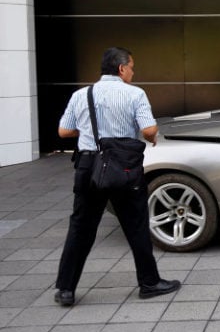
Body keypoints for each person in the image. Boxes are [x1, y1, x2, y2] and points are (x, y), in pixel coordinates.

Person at [55, 47, 180, 306]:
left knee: (80, 228)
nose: (133, 72)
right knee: (135, 226)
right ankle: (149, 283)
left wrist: (92, 133)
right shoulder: (134, 94)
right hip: (123, 167)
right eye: (132, 67)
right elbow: (148, 129)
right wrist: (151, 135)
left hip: (88, 166)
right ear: (121, 69)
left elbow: (64, 131)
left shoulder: (82, 95)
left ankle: (66, 289)